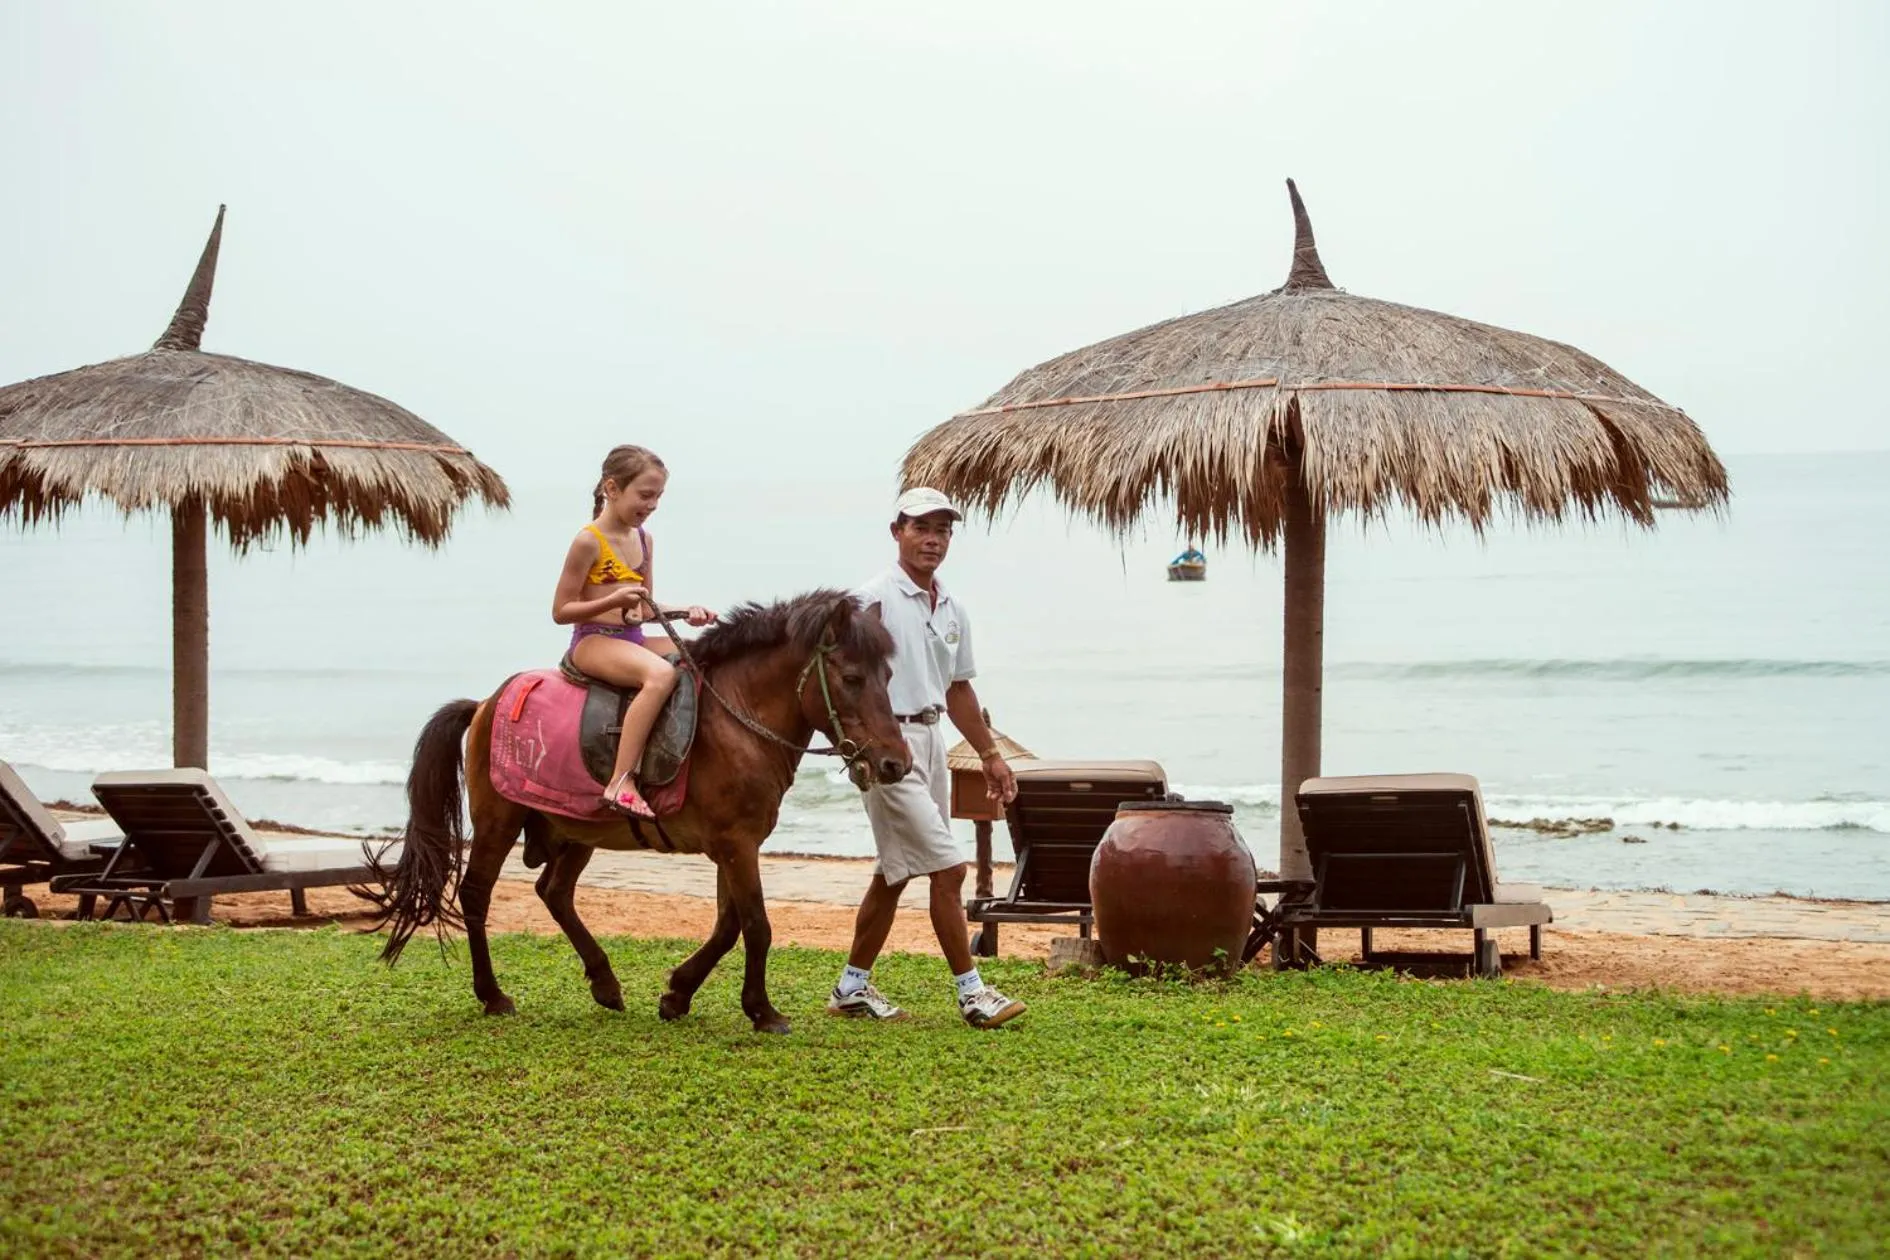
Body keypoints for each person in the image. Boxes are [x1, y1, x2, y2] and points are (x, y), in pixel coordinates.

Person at [827, 487, 1026, 1030]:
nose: (933, 539)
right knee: (949, 867)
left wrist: (989, 753)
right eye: (921, 527)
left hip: (934, 740)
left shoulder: (952, 606)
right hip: (887, 749)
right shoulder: (870, 603)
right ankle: (971, 993)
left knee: (893, 873)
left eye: (943, 529)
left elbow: (958, 688)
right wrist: (863, 746)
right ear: (897, 532)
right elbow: (844, 682)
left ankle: (851, 987)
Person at [551, 444, 714, 818]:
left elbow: (641, 609)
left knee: (699, 655)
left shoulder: (644, 540)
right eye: (645, 495)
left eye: (658, 497)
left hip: (631, 638)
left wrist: (685, 612)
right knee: (659, 675)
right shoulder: (588, 540)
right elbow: (561, 611)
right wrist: (612, 601)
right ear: (612, 489)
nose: (652, 504)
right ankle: (621, 781)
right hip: (593, 641)